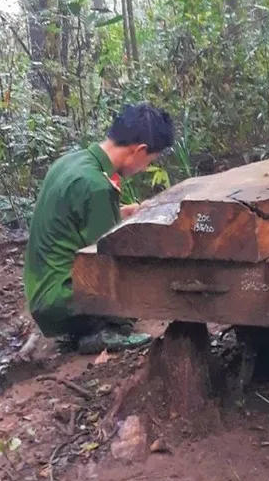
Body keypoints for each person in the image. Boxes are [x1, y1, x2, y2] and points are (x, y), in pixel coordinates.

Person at [24, 102, 174, 353]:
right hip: (60, 299)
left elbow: (75, 217)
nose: (144, 169)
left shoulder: (72, 162)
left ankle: (88, 325)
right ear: (139, 150)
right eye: (148, 161)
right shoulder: (96, 185)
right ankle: (100, 332)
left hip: (42, 291)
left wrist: (123, 212)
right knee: (139, 286)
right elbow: (109, 258)